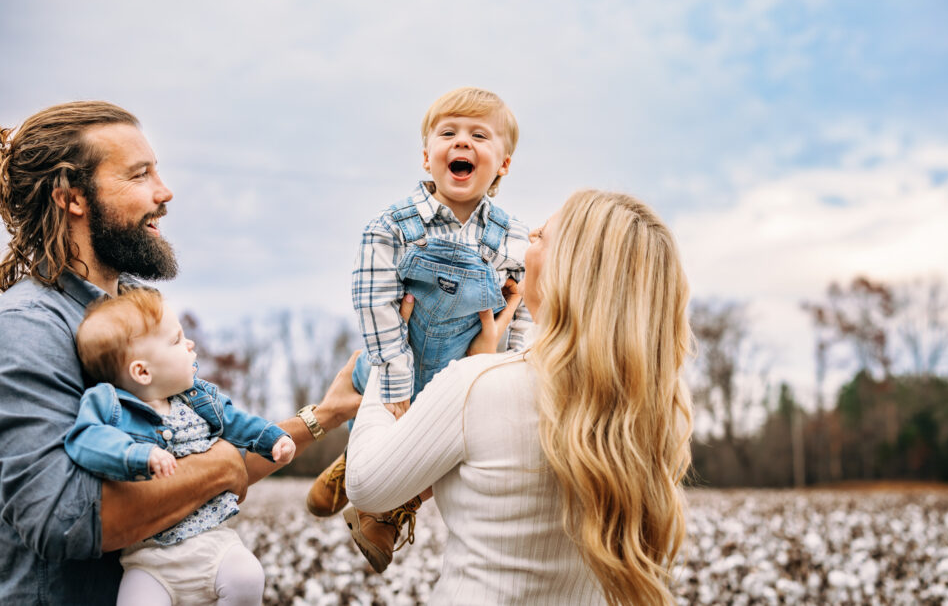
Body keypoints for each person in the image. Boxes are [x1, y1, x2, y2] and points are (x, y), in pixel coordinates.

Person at [0, 101, 361, 604]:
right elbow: (61, 520)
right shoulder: (27, 330)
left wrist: (324, 414)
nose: (164, 192)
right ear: (73, 198)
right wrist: (220, 467)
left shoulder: (133, 312)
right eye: (140, 174)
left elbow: (193, 460)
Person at [345, 189, 695, 605]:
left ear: (570, 273)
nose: (529, 235)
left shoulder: (476, 386)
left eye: (543, 237)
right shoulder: (660, 415)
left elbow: (367, 486)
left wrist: (393, 360)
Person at [306, 87, 532, 570]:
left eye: (478, 135)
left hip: (464, 368)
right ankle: (360, 467)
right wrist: (394, 376)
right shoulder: (393, 225)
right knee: (401, 429)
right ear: (427, 156)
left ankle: (389, 509)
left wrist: (508, 371)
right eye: (448, 133)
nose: (462, 143)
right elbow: (373, 302)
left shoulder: (513, 236)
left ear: (504, 164)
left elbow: (522, 310)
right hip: (395, 359)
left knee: (452, 447)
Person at [66, 288, 295, 605]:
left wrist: (273, 439)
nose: (190, 344)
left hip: (213, 543)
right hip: (148, 560)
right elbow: (85, 438)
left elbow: (236, 419)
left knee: (247, 577)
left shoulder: (199, 398)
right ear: (142, 371)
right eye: (175, 340)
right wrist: (135, 454)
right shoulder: (109, 404)